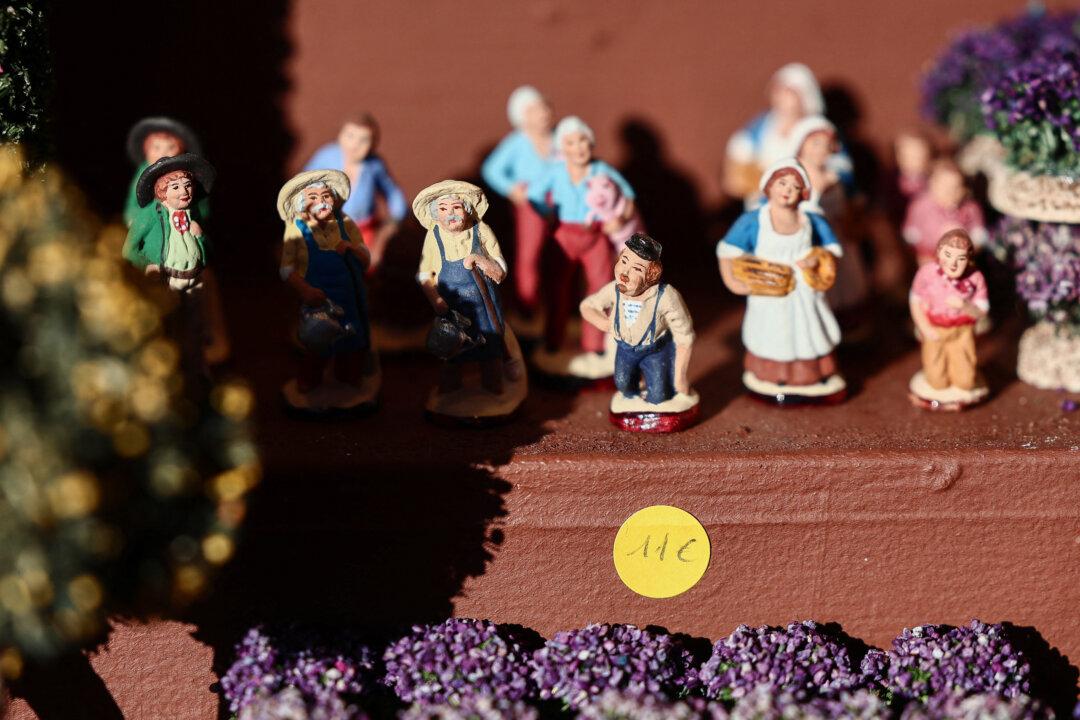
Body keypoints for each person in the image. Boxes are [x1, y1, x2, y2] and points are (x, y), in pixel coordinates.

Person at [717, 158, 846, 403]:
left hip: (804, 292)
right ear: (769, 186)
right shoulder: (754, 220)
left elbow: (832, 250)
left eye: (795, 186)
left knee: (807, 334)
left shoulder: (811, 219)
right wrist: (732, 281)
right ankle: (773, 375)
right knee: (773, 333)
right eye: (782, 183)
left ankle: (810, 375)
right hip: (769, 290)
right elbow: (727, 251)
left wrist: (816, 259)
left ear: (803, 192)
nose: (787, 190)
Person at [528, 116, 637, 377]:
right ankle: (554, 339)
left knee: (600, 287)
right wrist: (546, 213)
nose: (578, 148)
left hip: (594, 236)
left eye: (583, 141)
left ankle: (594, 344)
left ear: (591, 143)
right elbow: (533, 195)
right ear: (562, 147)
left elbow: (628, 195)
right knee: (557, 288)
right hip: (564, 236)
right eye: (571, 143)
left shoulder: (602, 169)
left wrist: (620, 218)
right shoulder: (555, 171)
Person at [277, 169, 379, 410]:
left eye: (326, 196)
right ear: (301, 203)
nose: (321, 201)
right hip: (318, 299)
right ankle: (310, 381)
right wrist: (305, 291)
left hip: (348, 295)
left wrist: (351, 249)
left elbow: (365, 258)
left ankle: (347, 379)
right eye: (313, 197)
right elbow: (286, 269)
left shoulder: (345, 223)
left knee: (351, 342)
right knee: (317, 343)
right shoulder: (297, 229)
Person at [580, 233, 698, 431]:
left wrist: (680, 376)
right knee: (623, 385)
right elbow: (588, 306)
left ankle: (655, 392)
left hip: (655, 351)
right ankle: (634, 395)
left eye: (636, 269)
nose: (624, 272)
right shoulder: (614, 290)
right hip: (625, 350)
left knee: (658, 396)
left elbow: (684, 334)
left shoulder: (666, 296)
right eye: (624, 261)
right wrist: (604, 323)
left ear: (651, 276)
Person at [123, 153, 216, 383]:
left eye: (187, 185)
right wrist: (147, 266)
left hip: (194, 280)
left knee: (195, 326)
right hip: (166, 281)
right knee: (169, 328)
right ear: (162, 191)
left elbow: (208, 252)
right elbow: (129, 249)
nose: (185, 192)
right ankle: (168, 375)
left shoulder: (192, 213)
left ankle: (197, 369)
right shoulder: (150, 215)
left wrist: (200, 237)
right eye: (176, 187)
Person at [724, 63, 852, 205]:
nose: (782, 96)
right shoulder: (763, 125)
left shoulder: (818, 128)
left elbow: (841, 168)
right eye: (779, 90)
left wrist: (825, 179)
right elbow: (740, 153)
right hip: (764, 203)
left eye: (789, 91)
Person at [481, 86, 555, 315]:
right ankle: (527, 302)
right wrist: (512, 189)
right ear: (522, 116)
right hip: (531, 203)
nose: (544, 112)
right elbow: (491, 169)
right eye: (535, 109)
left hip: (559, 202)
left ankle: (560, 302)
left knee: (561, 252)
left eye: (545, 106)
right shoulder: (517, 142)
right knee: (529, 254)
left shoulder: (558, 139)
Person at [304, 114, 407, 270]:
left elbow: (394, 195)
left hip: (361, 231)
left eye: (364, 140)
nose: (355, 145)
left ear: (373, 144)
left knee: (361, 269)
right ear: (340, 136)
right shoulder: (325, 157)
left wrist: (388, 228)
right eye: (350, 136)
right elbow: (302, 185)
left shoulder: (374, 166)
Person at [908, 228, 989, 409]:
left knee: (965, 382)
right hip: (935, 329)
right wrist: (925, 328)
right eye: (948, 255)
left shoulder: (976, 278)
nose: (953, 264)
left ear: (969, 260)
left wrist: (966, 306)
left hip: (962, 332)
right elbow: (915, 300)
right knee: (937, 382)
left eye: (960, 258)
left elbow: (982, 311)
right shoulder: (927, 272)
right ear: (938, 253)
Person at [903, 159, 987, 266]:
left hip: (962, 263)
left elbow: (980, 237)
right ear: (932, 185)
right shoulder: (920, 206)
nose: (949, 192)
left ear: (964, 190)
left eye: (956, 187)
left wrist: (966, 246)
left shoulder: (971, 208)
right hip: (928, 260)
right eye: (944, 186)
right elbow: (910, 236)